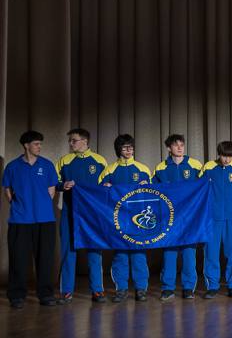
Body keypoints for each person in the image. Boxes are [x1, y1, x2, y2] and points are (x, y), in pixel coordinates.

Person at [4, 131, 62, 308]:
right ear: (26, 145)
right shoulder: (12, 167)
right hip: (20, 221)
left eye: (40, 144)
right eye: (36, 144)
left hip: (45, 220)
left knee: (45, 259)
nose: (39, 147)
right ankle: (16, 296)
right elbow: (8, 191)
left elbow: (51, 190)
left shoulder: (47, 165)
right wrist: (21, 206)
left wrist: (40, 205)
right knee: (18, 259)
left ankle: (46, 294)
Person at [56, 128, 107, 302]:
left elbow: (105, 185)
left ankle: (97, 290)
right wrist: (63, 185)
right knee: (68, 250)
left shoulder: (99, 161)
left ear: (85, 141)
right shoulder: (64, 161)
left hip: (92, 213)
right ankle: (66, 291)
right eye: (70, 141)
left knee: (94, 250)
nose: (71, 143)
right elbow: (54, 182)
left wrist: (106, 186)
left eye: (74, 140)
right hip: (69, 212)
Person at [101, 134, 154, 301]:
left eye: (131, 147)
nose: (129, 150)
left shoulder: (143, 169)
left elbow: (153, 195)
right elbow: (99, 195)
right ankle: (121, 289)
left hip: (138, 219)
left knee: (139, 254)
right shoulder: (109, 170)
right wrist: (105, 188)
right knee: (120, 255)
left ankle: (141, 289)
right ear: (119, 149)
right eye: (125, 147)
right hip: (118, 219)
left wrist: (148, 187)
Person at [153, 134, 204, 300]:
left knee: (189, 254)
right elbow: (153, 192)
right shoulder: (160, 168)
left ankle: (188, 288)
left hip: (189, 218)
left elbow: (204, 189)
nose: (180, 148)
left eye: (182, 145)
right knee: (169, 253)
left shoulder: (195, 165)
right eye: (176, 145)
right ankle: (168, 288)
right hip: (169, 218)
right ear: (169, 148)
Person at [200, 141, 232, 298]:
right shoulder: (208, 167)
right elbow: (198, 191)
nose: (227, 159)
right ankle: (212, 286)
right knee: (211, 252)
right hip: (212, 217)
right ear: (219, 154)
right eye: (224, 156)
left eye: (230, 156)